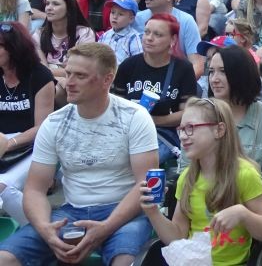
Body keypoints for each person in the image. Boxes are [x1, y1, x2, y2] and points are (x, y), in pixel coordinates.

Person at [0, 43, 158, 266]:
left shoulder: (134, 117)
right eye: (68, 73)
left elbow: (146, 185)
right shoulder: (54, 122)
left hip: (124, 211)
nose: (69, 82)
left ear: (107, 80)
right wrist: (45, 229)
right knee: (5, 258)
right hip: (72, 212)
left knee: (124, 261)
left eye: (80, 76)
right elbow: (34, 189)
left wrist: (106, 228)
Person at [140, 97, 262, 265]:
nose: (183, 136)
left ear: (219, 130)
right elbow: (177, 238)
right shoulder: (187, 178)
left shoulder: (245, 174)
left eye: (190, 128)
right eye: (181, 129)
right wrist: (153, 212)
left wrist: (243, 214)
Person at [197, 45, 262, 239]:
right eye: (211, 71)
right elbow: (187, 174)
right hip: (203, 209)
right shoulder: (199, 116)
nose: (214, 79)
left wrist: (238, 210)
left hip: (256, 213)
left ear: (241, 74)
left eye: (223, 71)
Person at [113, 13, 196, 165]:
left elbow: (188, 113)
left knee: (142, 160)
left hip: (163, 134)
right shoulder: (128, 65)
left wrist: (152, 121)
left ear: (173, 40)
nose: (149, 38)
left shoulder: (183, 68)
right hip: (126, 132)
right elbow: (114, 106)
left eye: (158, 34)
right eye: (146, 32)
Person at [0, 22, 55, 226]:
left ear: (14, 48)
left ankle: (39, 231)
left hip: (32, 145)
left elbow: (43, 127)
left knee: (3, 188)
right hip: (2, 142)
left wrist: (10, 143)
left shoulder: (40, 76)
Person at [135, 0, 204, 79]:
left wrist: (177, 84)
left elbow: (197, 65)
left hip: (175, 78)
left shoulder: (186, 21)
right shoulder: (135, 19)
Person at [98, 0, 144, 66]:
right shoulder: (105, 36)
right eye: (112, 12)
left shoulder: (134, 38)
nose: (115, 17)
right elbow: (97, 56)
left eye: (120, 14)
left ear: (131, 19)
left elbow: (138, 62)